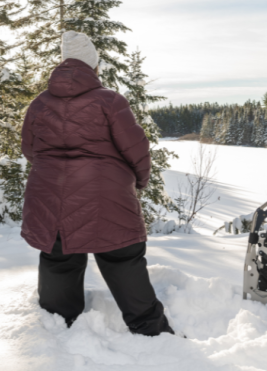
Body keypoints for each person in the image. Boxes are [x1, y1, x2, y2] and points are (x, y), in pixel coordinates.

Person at [20, 30, 174, 335]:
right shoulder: (110, 101)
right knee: (122, 257)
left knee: (59, 257)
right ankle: (149, 328)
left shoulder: (39, 104)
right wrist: (140, 180)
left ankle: (57, 324)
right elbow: (136, 149)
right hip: (105, 196)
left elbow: (29, 149)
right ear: (93, 65)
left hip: (49, 195)